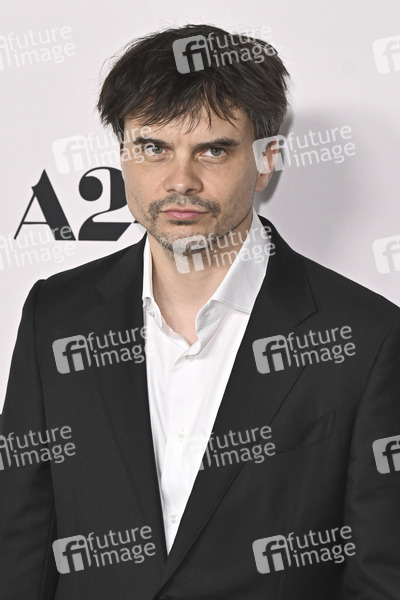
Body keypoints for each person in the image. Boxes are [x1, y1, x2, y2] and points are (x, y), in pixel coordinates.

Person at [1, 23, 400, 600]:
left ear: (265, 161)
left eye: (213, 150)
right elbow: (21, 544)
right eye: (154, 148)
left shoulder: (366, 338)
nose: (180, 180)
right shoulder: (55, 315)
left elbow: (382, 575)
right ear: (123, 156)